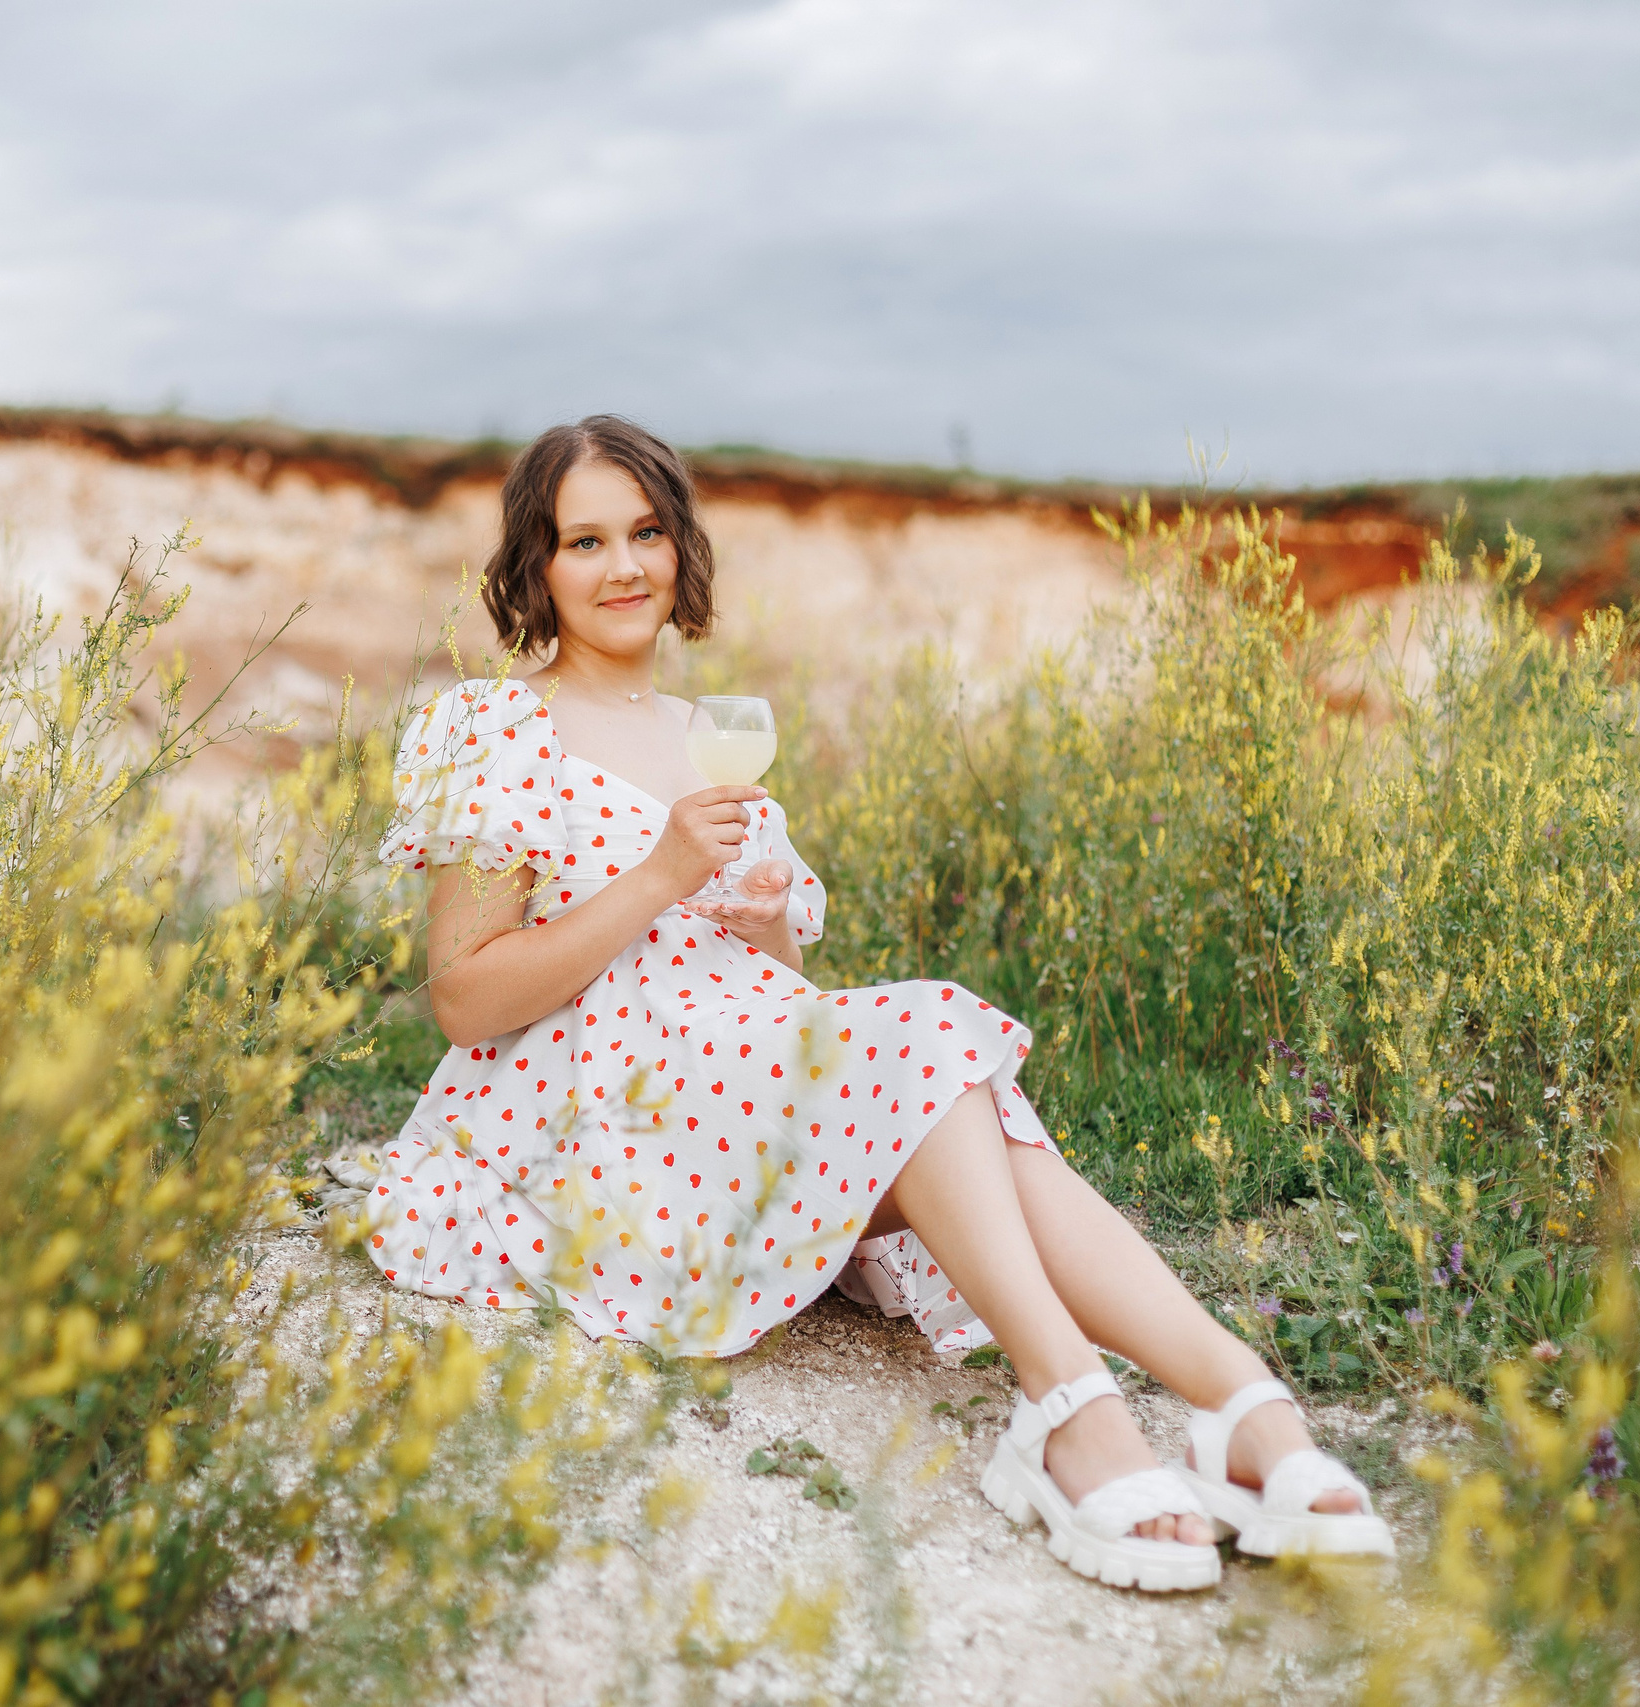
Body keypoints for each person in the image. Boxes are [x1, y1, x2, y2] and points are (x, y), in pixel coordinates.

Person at [359, 416, 1392, 1591]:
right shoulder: (497, 730)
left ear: (681, 544)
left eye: (646, 532)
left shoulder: (712, 736)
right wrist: (656, 877)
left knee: (940, 1071)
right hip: (598, 1116)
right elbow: (464, 998)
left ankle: (1243, 1406)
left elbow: (778, 1001)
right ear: (536, 566)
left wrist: (755, 919)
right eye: (583, 542)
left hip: (728, 1089)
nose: (625, 566)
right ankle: (1077, 1408)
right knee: (932, 1039)